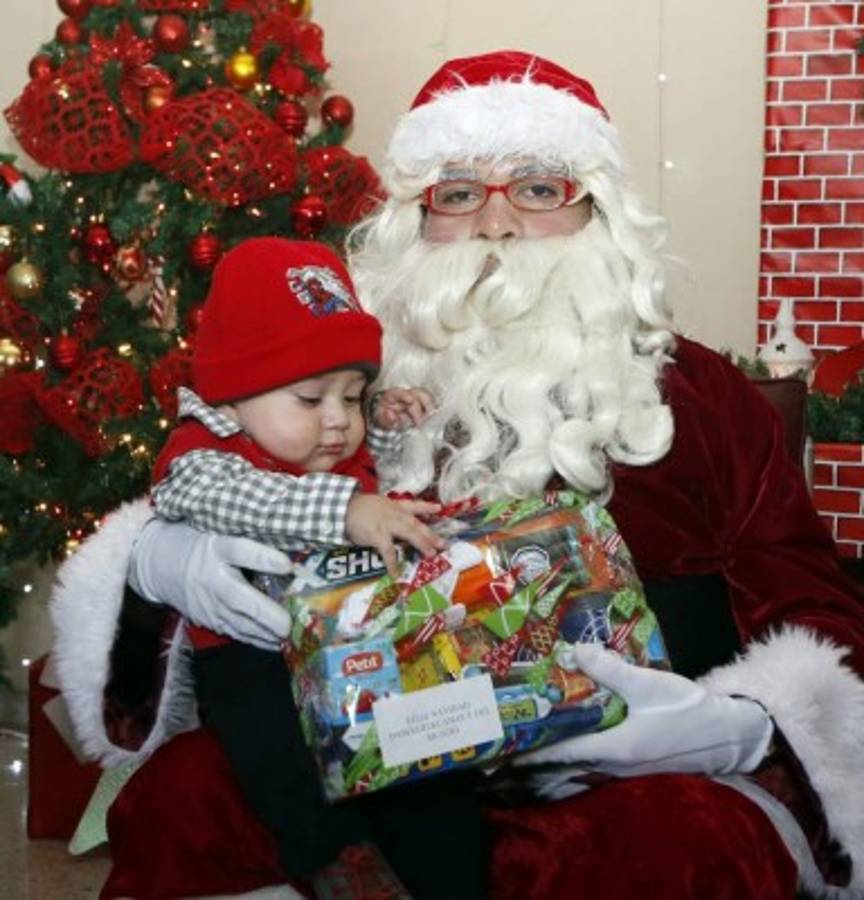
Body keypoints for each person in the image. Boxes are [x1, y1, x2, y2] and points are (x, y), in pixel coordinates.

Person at [51, 51, 864, 900]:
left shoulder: (699, 396)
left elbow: (814, 602)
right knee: (185, 800)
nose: (498, 224)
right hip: (371, 748)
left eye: (541, 188)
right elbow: (215, 472)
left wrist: (739, 726)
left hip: (632, 777)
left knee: (671, 848)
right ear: (415, 219)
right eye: (461, 191)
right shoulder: (345, 388)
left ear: (601, 215)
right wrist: (157, 566)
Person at [149, 236, 487, 899]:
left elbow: (371, 475)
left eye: (353, 396)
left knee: (428, 769)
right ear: (232, 397)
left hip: (358, 641)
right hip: (255, 657)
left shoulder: (332, 453)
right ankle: (337, 860)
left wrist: (384, 429)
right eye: (311, 400)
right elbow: (226, 496)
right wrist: (348, 511)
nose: (337, 421)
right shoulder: (202, 452)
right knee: (280, 754)